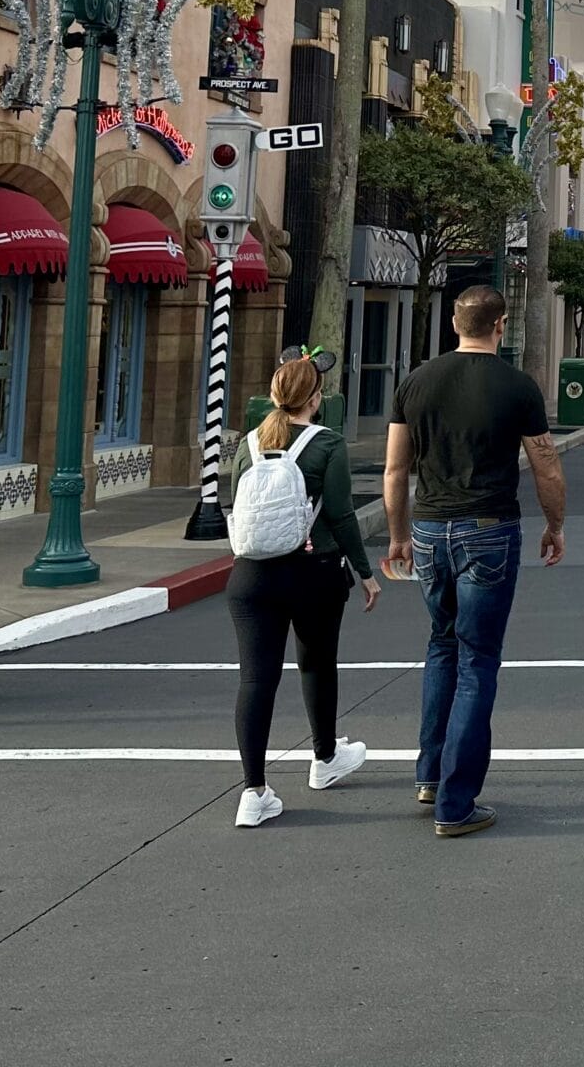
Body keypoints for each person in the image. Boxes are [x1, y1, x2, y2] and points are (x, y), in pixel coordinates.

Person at [384, 282, 565, 838]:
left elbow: (395, 471)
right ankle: (456, 804)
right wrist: (555, 525)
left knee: (442, 645)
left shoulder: (416, 381)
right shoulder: (518, 387)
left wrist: (397, 537)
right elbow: (546, 467)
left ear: (455, 325)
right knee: (478, 659)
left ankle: (431, 775)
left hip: (431, 529)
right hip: (489, 529)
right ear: (500, 325)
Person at [225, 351, 378, 828]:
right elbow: (340, 513)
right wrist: (365, 571)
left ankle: (254, 792)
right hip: (314, 571)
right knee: (316, 663)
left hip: (250, 576)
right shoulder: (327, 444)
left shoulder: (246, 444)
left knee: (255, 678)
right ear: (316, 399)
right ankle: (324, 759)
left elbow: (235, 505)